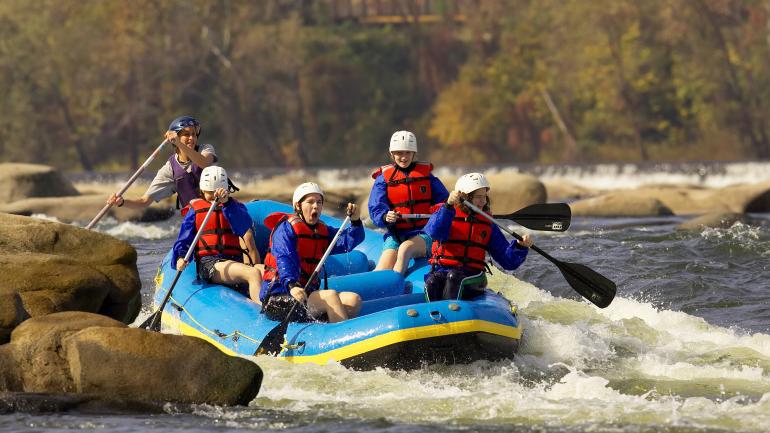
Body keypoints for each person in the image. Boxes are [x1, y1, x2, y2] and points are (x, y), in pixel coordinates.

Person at [260, 182, 364, 323]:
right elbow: (285, 258)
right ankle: (340, 334)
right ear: (298, 206)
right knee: (330, 296)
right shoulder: (285, 229)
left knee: (354, 300)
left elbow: (347, 241)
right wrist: (291, 285)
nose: (315, 206)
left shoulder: (322, 231)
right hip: (280, 297)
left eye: (319, 202)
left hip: (306, 295)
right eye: (310, 202)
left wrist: (356, 221)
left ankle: (327, 328)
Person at [422, 173, 534, 301]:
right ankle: (434, 316)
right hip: (443, 269)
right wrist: (447, 206)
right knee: (432, 282)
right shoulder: (446, 213)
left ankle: (454, 314)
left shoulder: (487, 224)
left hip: (473, 275)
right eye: (478, 197)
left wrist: (520, 247)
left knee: (454, 277)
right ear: (465, 197)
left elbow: (507, 261)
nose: (484, 201)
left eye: (485, 197)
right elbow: (435, 232)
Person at [172, 166, 263, 303]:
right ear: (202, 190)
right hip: (209, 264)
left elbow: (243, 228)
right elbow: (184, 240)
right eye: (209, 192)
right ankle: (262, 316)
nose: (213, 196)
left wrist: (227, 204)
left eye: (217, 192)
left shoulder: (234, 208)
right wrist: (180, 258)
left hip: (234, 261)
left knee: (263, 271)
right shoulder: (195, 211)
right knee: (253, 273)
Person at [368, 130, 449, 274]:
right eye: (399, 153)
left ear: (414, 153)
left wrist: (438, 212)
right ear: (392, 154)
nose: (403, 157)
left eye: (407, 152)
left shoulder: (427, 177)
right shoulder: (383, 178)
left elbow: (445, 203)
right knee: (382, 268)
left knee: (406, 248)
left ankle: (396, 284)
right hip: (396, 234)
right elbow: (376, 207)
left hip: (425, 233)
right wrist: (385, 216)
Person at [107, 115, 217, 214]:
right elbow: (144, 201)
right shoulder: (169, 170)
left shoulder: (205, 149)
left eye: (194, 134)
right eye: (186, 134)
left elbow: (203, 163)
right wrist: (122, 202)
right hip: (196, 221)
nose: (192, 138)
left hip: (219, 213)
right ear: (176, 138)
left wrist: (178, 142)